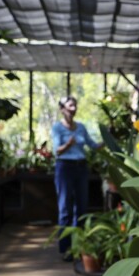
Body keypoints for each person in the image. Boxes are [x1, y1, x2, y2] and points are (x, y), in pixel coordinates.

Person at [51, 96, 98, 261]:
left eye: (75, 105)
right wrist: (68, 144)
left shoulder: (81, 127)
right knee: (65, 209)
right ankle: (65, 248)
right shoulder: (57, 128)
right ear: (62, 109)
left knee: (82, 207)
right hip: (65, 168)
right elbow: (57, 150)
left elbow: (92, 144)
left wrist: (107, 141)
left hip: (81, 167)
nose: (73, 108)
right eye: (70, 105)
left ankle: (80, 247)